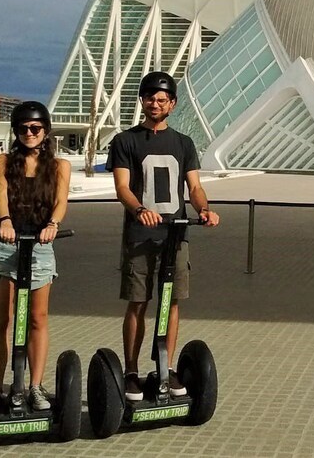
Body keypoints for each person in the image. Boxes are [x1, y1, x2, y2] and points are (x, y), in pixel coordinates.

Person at [106, 71, 219, 401]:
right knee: (138, 302)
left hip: (176, 235)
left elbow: (195, 187)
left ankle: (166, 367)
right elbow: (122, 188)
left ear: (172, 104)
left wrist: (204, 210)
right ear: (142, 101)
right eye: (150, 98)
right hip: (141, 235)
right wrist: (140, 209)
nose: (155, 104)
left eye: (162, 99)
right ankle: (130, 371)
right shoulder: (126, 141)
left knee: (170, 304)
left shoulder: (183, 143)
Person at [0, 101, 71, 414]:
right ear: (15, 132)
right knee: (1, 319)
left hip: (40, 246)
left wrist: (53, 225)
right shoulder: (3, 161)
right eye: (23, 128)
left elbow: (60, 202)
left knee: (37, 318)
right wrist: (4, 221)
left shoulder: (60, 167)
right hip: (7, 245)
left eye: (35, 128)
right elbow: (0, 194)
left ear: (45, 131)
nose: (29, 133)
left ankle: (34, 386)